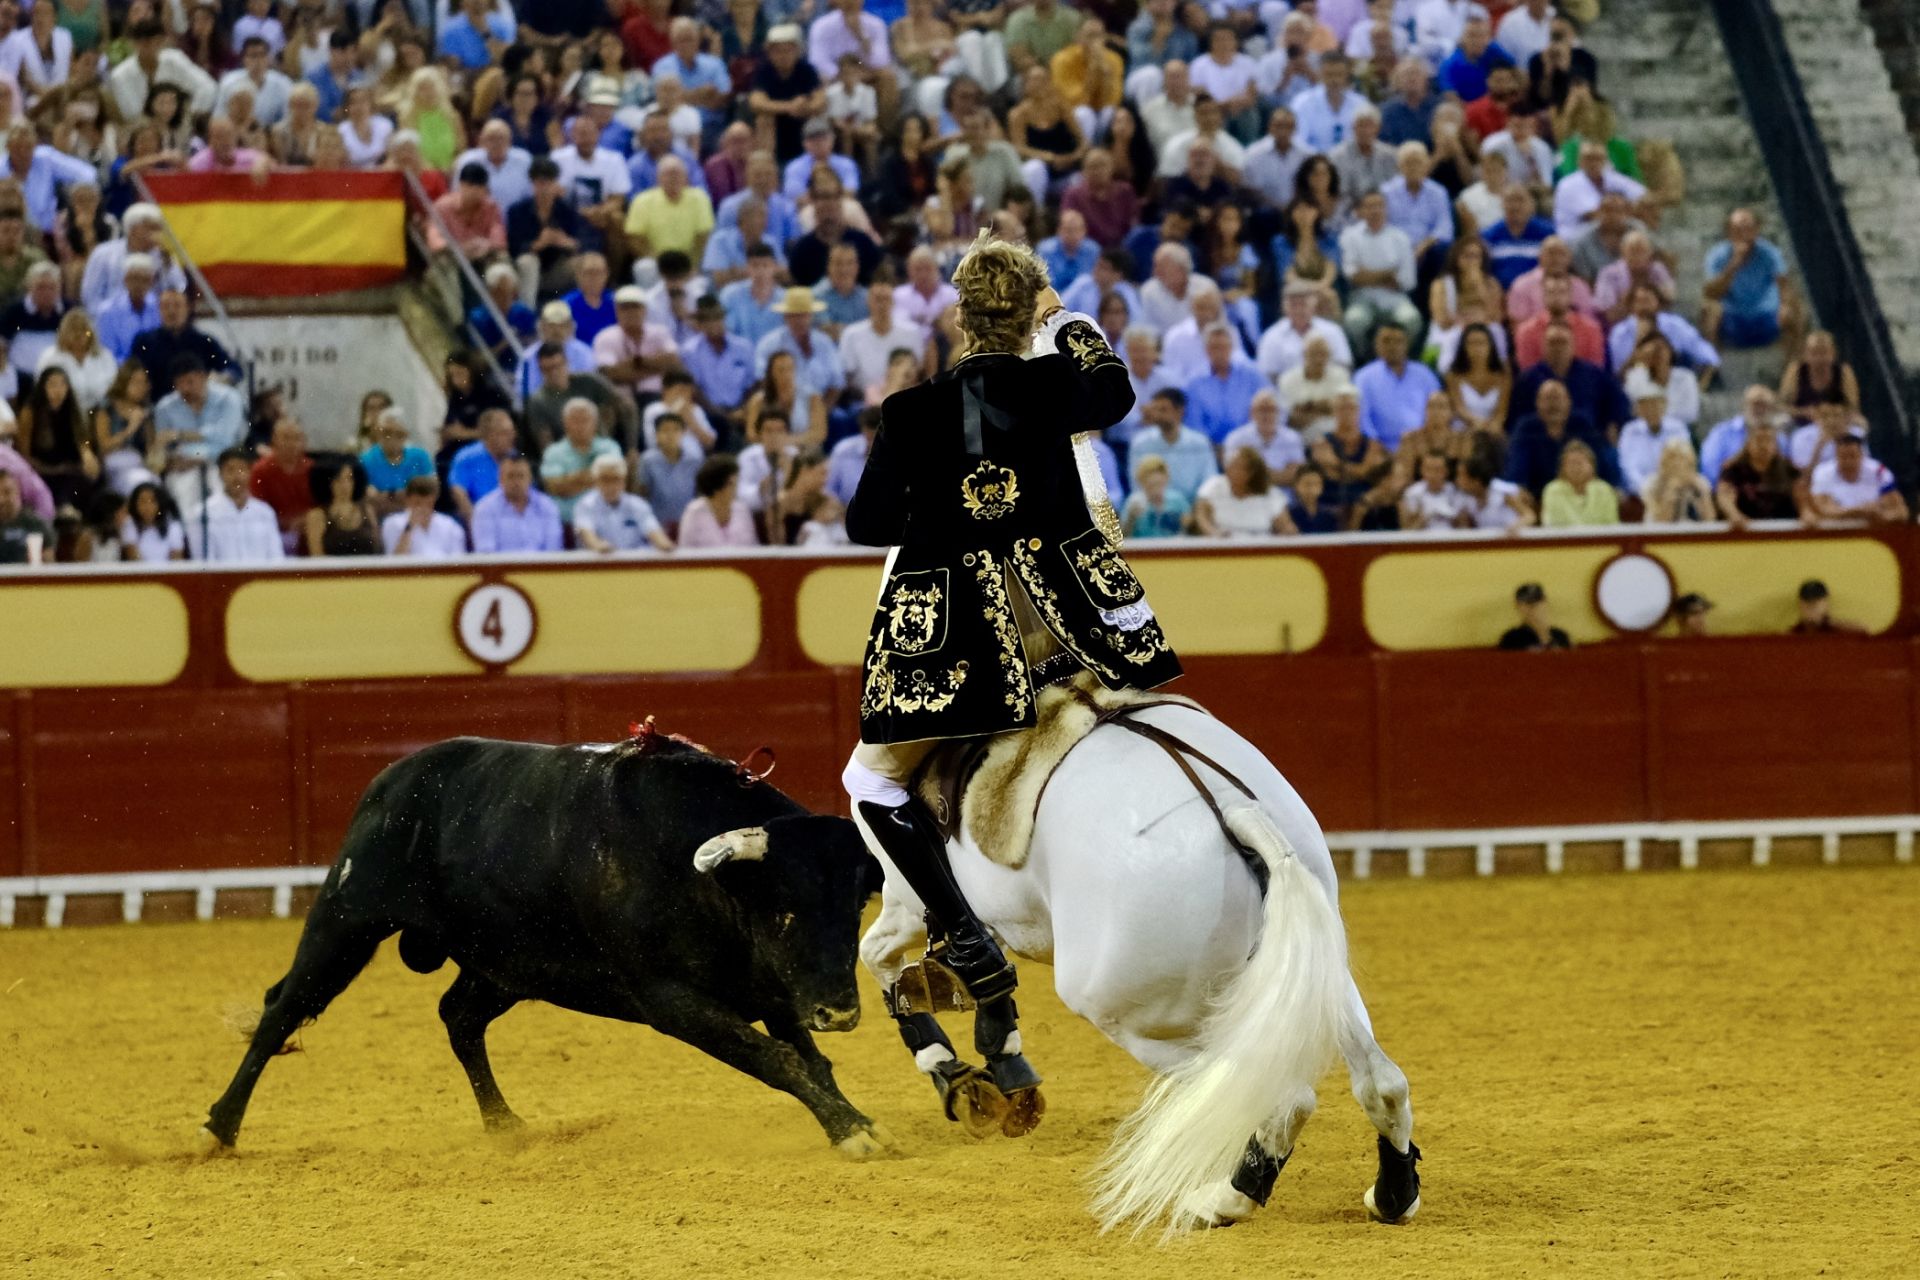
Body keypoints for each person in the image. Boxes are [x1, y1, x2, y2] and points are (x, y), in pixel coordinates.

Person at [840, 235, 1179, 1099]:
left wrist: (942, 504)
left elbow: (868, 525)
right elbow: (1115, 388)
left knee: (872, 785)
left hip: (958, 641)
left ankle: (964, 932)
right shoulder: (1059, 383)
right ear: (1028, 313)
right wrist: (1064, 321)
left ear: (958, 319)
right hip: (1065, 622)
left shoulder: (911, 410)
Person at [1701, 208, 1801, 355]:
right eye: (1737, 229)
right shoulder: (1717, 255)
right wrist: (1734, 264)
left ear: (1756, 230)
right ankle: (1712, 369)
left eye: (1748, 228)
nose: (1743, 234)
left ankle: (1793, 369)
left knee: (1795, 309)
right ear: (1729, 232)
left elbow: (1784, 286)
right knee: (1708, 309)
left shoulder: (1770, 253)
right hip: (1732, 318)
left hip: (1766, 315)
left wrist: (1785, 305)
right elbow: (1710, 293)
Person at [540, 397, 625, 524]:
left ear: (595, 422)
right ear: (565, 423)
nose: (580, 425)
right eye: (575, 420)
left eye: (585, 420)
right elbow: (555, 488)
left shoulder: (610, 447)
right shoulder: (553, 452)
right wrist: (597, 476)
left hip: (607, 520)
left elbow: (614, 480)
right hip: (568, 520)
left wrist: (571, 480)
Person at [193, 446, 284, 563]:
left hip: (260, 579)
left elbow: (277, 558)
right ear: (220, 473)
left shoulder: (265, 512)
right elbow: (203, 562)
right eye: (230, 470)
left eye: (242, 469)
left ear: (250, 472)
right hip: (222, 579)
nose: (236, 476)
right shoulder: (203, 513)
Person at [574, 454, 675, 553]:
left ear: (624, 481)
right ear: (595, 481)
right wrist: (599, 546)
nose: (611, 485)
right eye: (605, 479)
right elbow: (587, 534)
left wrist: (664, 545)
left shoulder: (638, 505)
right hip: (597, 565)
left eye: (616, 479)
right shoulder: (586, 505)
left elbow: (653, 531)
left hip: (634, 565)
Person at [1807, 427, 1907, 526]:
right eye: (1843, 457)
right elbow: (1823, 509)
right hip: (1836, 530)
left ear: (1862, 455)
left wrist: (1882, 516)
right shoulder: (1822, 473)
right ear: (1836, 456)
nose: (1848, 461)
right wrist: (1859, 511)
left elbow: (1900, 511)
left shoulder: (1879, 471)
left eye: (1852, 456)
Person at [471, 452, 564, 553]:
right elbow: (486, 553)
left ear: (530, 478)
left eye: (521, 476)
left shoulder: (547, 506)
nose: (516, 482)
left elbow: (553, 550)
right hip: (501, 568)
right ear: (500, 479)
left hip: (539, 568)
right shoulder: (485, 508)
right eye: (510, 476)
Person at [1714, 420, 1798, 529]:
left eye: (1768, 440)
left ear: (1776, 446)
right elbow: (1724, 496)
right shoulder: (1732, 469)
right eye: (1759, 440)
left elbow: (1801, 496)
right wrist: (1734, 514)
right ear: (1748, 444)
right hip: (1745, 531)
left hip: (1783, 532)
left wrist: (1807, 512)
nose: (1763, 445)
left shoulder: (1789, 469)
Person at [358, 407, 435, 519]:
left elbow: (429, 491)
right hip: (378, 517)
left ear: (406, 435)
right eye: (386, 432)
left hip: (416, 516)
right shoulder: (366, 459)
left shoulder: (420, 457)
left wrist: (386, 495)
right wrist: (401, 495)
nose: (391, 438)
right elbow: (368, 497)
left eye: (399, 434)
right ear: (377, 432)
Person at [304, 456, 380, 557]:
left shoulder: (367, 511)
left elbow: (377, 550)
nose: (345, 485)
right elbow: (317, 556)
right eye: (338, 480)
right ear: (327, 483)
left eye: (349, 478)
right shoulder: (317, 515)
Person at [676, 453, 757, 547]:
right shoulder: (694, 512)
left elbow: (754, 548)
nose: (736, 488)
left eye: (736, 483)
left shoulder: (742, 510)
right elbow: (686, 552)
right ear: (717, 486)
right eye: (731, 484)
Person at [1540, 439, 1619, 528]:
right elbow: (1551, 526)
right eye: (1571, 463)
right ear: (1562, 468)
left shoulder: (1604, 489)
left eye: (1580, 463)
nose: (1576, 468)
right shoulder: (1553, 490)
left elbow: (1612, 526)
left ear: (1592, 466)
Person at [1641, 439, 1716, 524]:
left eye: (1684, 460)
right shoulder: (1651, 484)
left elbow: (1710, 520)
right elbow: (1662, 522)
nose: (1679, 464)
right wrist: (1672, 492)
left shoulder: (1700, 482)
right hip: (1657, 533)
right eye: (1673, 459)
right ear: (1663, 462)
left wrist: (1702, 493)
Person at [1120, 453, 1190, 538]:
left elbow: (1190, 530)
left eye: (1159, 485)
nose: (1156, 491)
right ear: (1142, 482)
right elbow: (1122, 538)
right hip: (1143, 548)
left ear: (1166, 480)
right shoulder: (1134, 503)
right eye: (1152, 486)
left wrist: (1187, 524)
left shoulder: (1177, 500)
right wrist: (1131, 519)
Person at [118, 479, 186, 562]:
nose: (147, 506)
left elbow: (176, 560)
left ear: (160, 503)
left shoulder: (173, 526)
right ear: (135, 504)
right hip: (141, 573)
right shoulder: (129, 524)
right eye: (142, 501)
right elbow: (133, 557)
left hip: (167, 573)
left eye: (152, 501)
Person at [1498, 581, 1571, 651]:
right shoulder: (1512, 638)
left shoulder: (1560, 636)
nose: (1533, 607)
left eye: (1537, 602)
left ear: (1546, 603)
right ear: (1518, 606)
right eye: (1527, 603)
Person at [0, 467, 52, 563]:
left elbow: (49, 562)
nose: (1, 500)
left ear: (18, 492)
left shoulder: (36, 524)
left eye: (7, 492)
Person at [1790, 579, 1866, 636]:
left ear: (1826, 603)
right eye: (1807, 601)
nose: (1812, 605)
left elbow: (1862, 634)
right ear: (1800, 604)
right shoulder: (1792, 636)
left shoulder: (1844, 631)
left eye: (1817, 601)